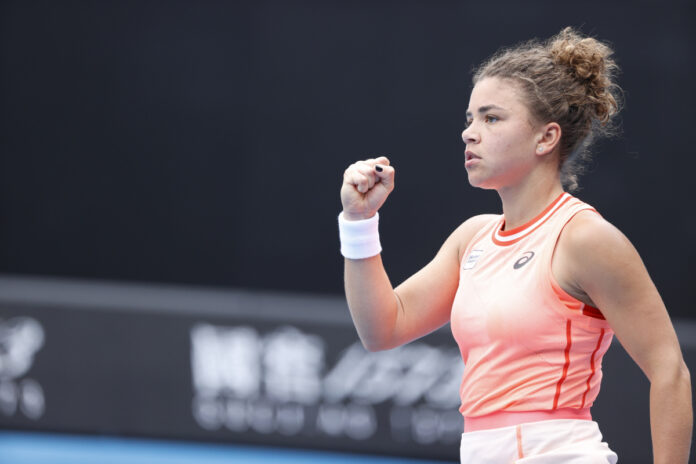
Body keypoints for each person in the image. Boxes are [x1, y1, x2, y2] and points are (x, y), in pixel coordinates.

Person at [337, 27, 692, 463]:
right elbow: (382, 330)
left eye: (491, 118)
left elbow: (669, 371)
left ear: (546, 138)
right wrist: (358, 222)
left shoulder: (584, 238)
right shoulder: (471, 238)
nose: (469, 133)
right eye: (469, 119)